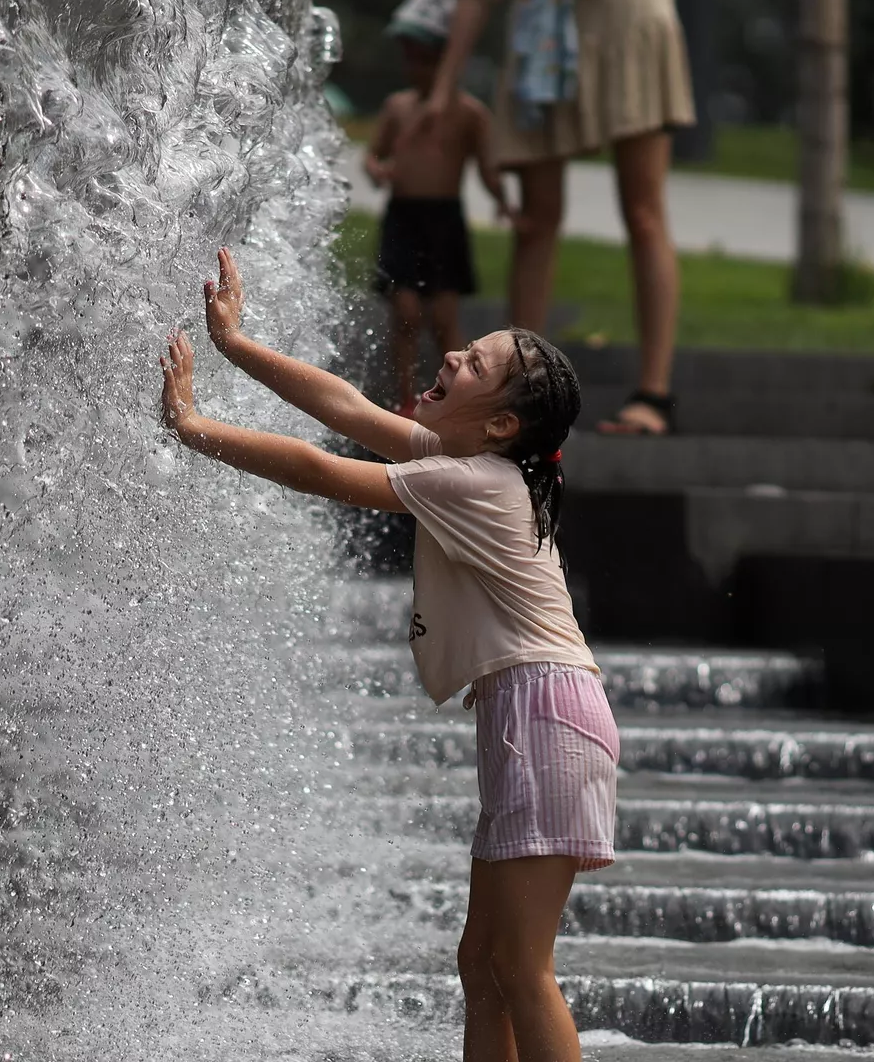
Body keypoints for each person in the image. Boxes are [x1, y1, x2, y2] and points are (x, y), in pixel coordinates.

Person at [160, 249, 618, 1062]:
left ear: (501, 425)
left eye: (474, 363)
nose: (451, 353)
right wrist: (235, 344)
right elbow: (343, 406)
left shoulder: (473, 481)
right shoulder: (467, 460)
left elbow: (321, 468)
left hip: (547, 717)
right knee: (481, 963)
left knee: (520, 963)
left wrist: (197, 428)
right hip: (538, 716)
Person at [419, 0, 694, 435]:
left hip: (629, 18)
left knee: (644, 213)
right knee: (535, 222)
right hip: (541, 32)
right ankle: (518, 395)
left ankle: (654, 395)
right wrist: (444, 88)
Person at [362, 0, 518, 415]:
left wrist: (503, 200)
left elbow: (486, 167)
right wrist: (378, 170)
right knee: (406, 309)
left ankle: (461, 400)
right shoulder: (398, 108)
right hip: (404, 217)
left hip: (444, 219)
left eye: (427, 60)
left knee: (446, 315)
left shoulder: (469, 114)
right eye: (411, 59)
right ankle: (405, 395)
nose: (418, 70)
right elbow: (374, 155)